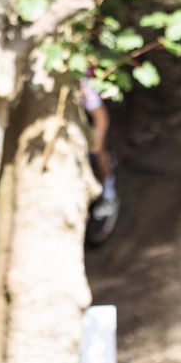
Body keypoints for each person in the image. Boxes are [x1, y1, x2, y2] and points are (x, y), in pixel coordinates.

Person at [82, 76, 118, 241]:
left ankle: (109, 195)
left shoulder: (84, 82)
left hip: (89, 128)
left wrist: (96, 144)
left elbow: (101, 117)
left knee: (99, 153)